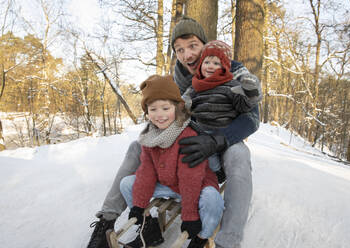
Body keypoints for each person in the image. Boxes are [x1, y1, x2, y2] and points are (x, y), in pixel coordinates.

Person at [87, 16, 261, 248]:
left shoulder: (231, 67)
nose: (187, 55)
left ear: (205, 45)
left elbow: (252, 118)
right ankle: (109, 220)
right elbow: (169, 114)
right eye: (179, 50)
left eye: (193, 46)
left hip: (224, 139)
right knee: (138, 145)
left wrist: (218, 140)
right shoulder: (179, 77)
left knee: (239, 156)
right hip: (188, 140)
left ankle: (228, 241)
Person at [119, 74, 224, 248]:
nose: (159, 115)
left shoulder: (187, 134)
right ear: (147, 112)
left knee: (213, 199)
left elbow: (190, 177)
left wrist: (190, 215)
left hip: (196, 185)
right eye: (153, 109)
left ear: (177, 107)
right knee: (127, 183)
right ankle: (149, 228)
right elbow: (146, 172)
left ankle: (201, 237)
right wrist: (138, 205)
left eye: (165, 108)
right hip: (169, 184)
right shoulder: (149, 137)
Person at [182, 39, 262, 180]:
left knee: (212, 154)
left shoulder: (230, 85)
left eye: (216, 63)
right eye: (206, 62)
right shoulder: (196, 86)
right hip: (200, 128)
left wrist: (250, 94)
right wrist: (183, 104)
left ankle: (217, 173)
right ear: (201, 65)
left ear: (224, 66)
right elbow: (184, 101)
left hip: (221, 129)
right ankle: (187, 175)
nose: (210, 66)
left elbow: (243, 105)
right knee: (189, 143)